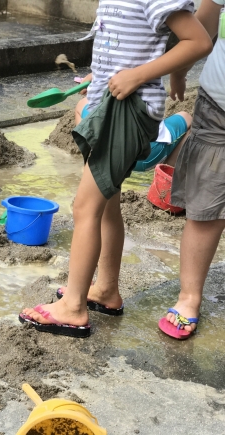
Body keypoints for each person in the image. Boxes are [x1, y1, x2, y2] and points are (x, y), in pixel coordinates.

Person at [19, 0, 212, 338]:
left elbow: (198, 41)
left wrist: (141, 75)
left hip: (127, 110)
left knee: (85, 207)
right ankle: (106, 289)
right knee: (105, 202)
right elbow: (128, 42)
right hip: (109, 104)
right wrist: (105, 72)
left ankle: (74, 307)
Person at [159, 0, 225, 339]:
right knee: (205, 205)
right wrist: (179, 69)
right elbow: (207, 21)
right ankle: (189, 297)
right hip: (218, 107)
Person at [74, 79, 192, 171]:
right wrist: (178, 76)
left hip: (104, 153)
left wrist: (94, 82)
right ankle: (166, 174)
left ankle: (89, 163)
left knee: (82, 105)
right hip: (147, 154)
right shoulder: (145, 64)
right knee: (187, 118)